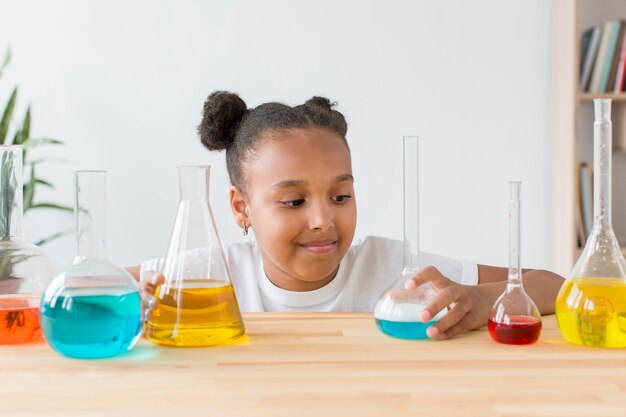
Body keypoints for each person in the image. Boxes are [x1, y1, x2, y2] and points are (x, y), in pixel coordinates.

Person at [128, 91, 564, 340]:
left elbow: (554, 285)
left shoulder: (392, 270)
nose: (323, 219)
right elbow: (79, 296)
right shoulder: (207, 277)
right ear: (242, 207)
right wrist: (136, 303)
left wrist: (482, 299)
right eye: (294, 202)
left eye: (340, 196)